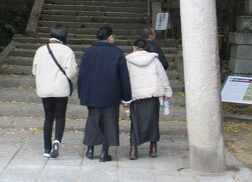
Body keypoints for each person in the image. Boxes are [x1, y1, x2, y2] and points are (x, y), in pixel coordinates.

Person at [77, 26, 132, 162]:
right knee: (109, 121)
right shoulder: (117, 53)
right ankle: (104, 152)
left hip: (91, 94)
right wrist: (127, 97)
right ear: (109, 37)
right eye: (113, 36)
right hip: (111, 94)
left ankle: (90, 149)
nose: (114, 39)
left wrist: (81, 93)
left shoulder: (89, 52)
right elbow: (123, 76)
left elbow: (81, 75)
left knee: (93, 120)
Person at [32, 25, 77, 158]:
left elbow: (34, 70)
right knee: (60, 116)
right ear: (63, 36)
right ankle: (56, 141)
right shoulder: (67, 51)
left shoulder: (40, 50)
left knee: (48, 118)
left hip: (45, 89)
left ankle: (46, 148)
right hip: (61, 89)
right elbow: (71, 72)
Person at [125, 38, 172, 160]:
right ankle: (153, 148)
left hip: (136, 96)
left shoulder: (128, 60)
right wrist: (167, 91)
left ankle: (133, 150)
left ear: (134, 47)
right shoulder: (154, 60)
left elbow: (125, 79)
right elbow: (162, 76)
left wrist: (124, 98)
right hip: (152, 95)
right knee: (153, 122)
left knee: (135, 123)